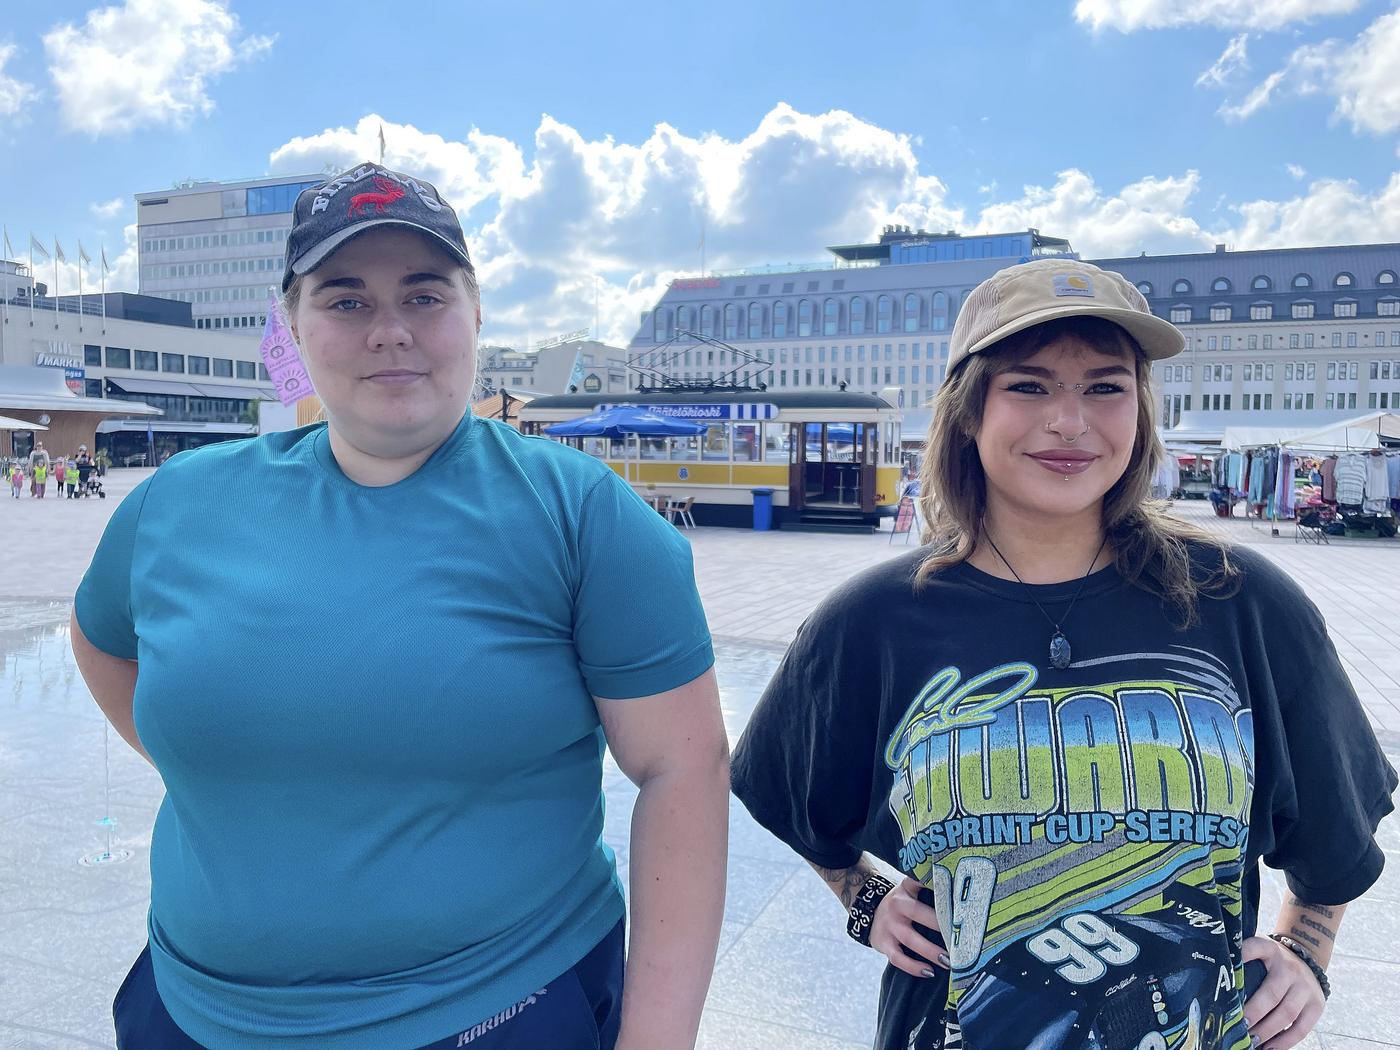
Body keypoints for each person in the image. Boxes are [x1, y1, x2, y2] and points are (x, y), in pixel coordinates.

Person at [72, 161, 729, 1050]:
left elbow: (682, 771)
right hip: (194, 1013)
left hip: (499, 1010)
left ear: (476, 312)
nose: (390, 331)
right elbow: (101, 639)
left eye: (424, 296)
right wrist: (243, 766)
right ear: (292, 326)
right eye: (346, 301)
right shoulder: (178, 503)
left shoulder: (580, 515)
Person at [731, 258, 1397, 1050]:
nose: (1071, 422)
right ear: (969, 412)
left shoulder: (1241, 603)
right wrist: (863, 899)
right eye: (1030, 386)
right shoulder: (874, 621)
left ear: (1141, 412)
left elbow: (1336, 831)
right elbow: (783, 790)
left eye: (1106, 387)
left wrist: (1303, 951)